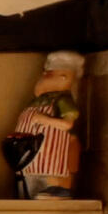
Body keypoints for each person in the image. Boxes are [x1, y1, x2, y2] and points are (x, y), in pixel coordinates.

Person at [11, 50, 85, 197]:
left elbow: (67, 125)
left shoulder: (63, 100)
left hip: (51, 155)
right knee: (29, 182)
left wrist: (43, 119)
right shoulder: (38, 100)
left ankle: (57, 191)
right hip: (29, 157)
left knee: (50, 177)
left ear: (64, 77)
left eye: (49, 74)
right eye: (44, 74)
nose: (43, 78)